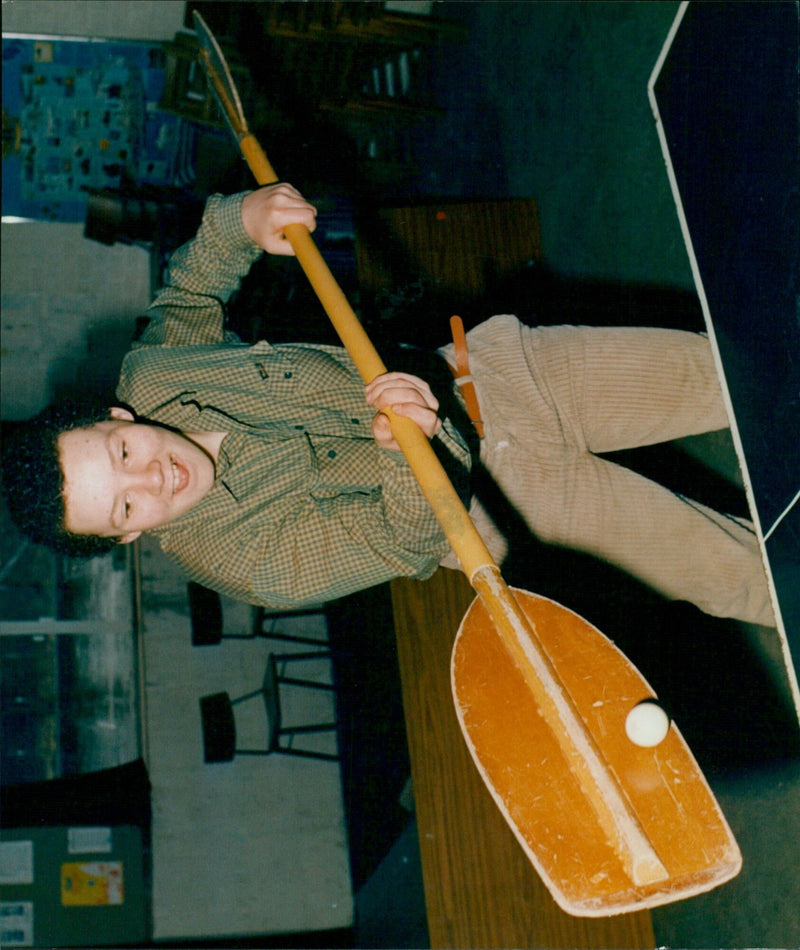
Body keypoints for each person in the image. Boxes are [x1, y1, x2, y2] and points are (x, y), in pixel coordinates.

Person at [2, 183, 774, 625]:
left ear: (120, 418)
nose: (150, 481)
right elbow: (399, 541)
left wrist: (239, 221)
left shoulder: (154, 373)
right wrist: (401, 450)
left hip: (499, 376)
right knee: (743, 575)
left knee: (743, 373)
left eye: (123, 457)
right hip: (510, 510)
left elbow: (192, 288)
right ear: (129, 541)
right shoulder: (242, 563)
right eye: (125, 510)